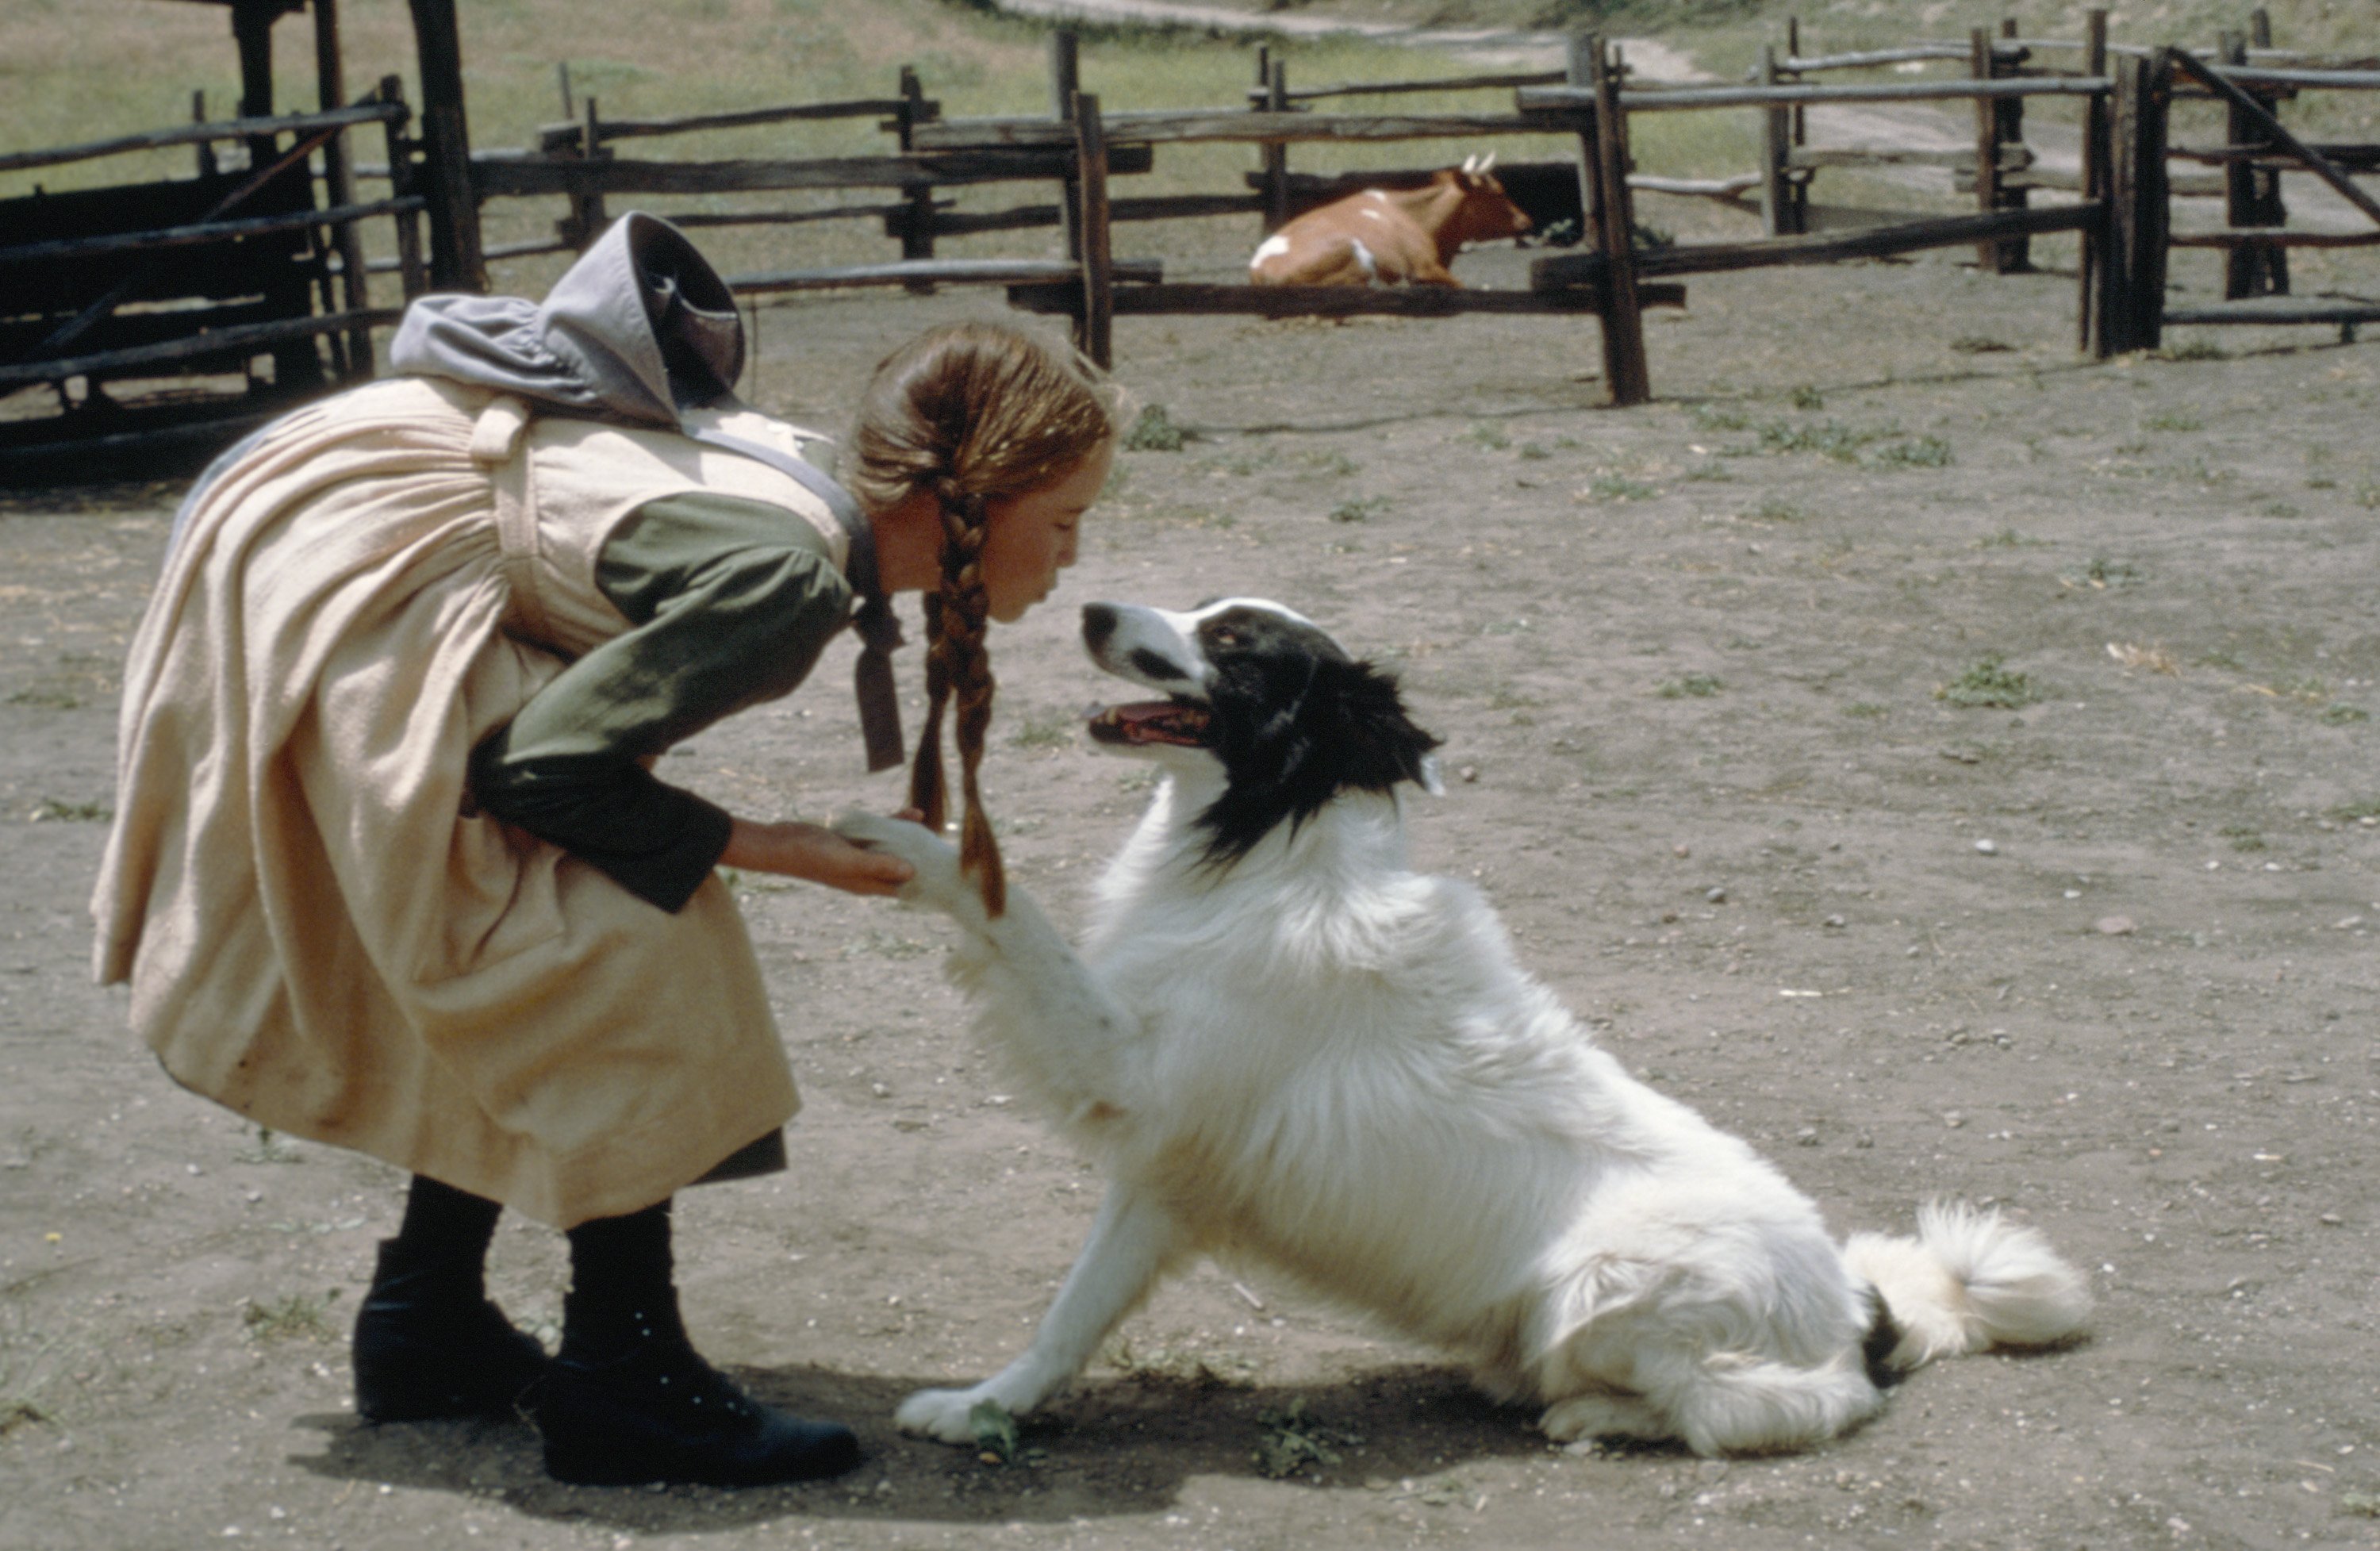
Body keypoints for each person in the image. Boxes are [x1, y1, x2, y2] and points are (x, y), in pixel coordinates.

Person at [89, 213, 1119, 1487]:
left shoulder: (817, 500)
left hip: (407, 567)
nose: (1075, 559)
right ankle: (624, 1381)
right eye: (1065, 521)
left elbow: (575, 733)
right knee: (622, 943)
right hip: (370, 595)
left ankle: (427, 1324)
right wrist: (781, 847)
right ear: (974, 503)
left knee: (534, 923)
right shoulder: (791, 584)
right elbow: (541, 770)